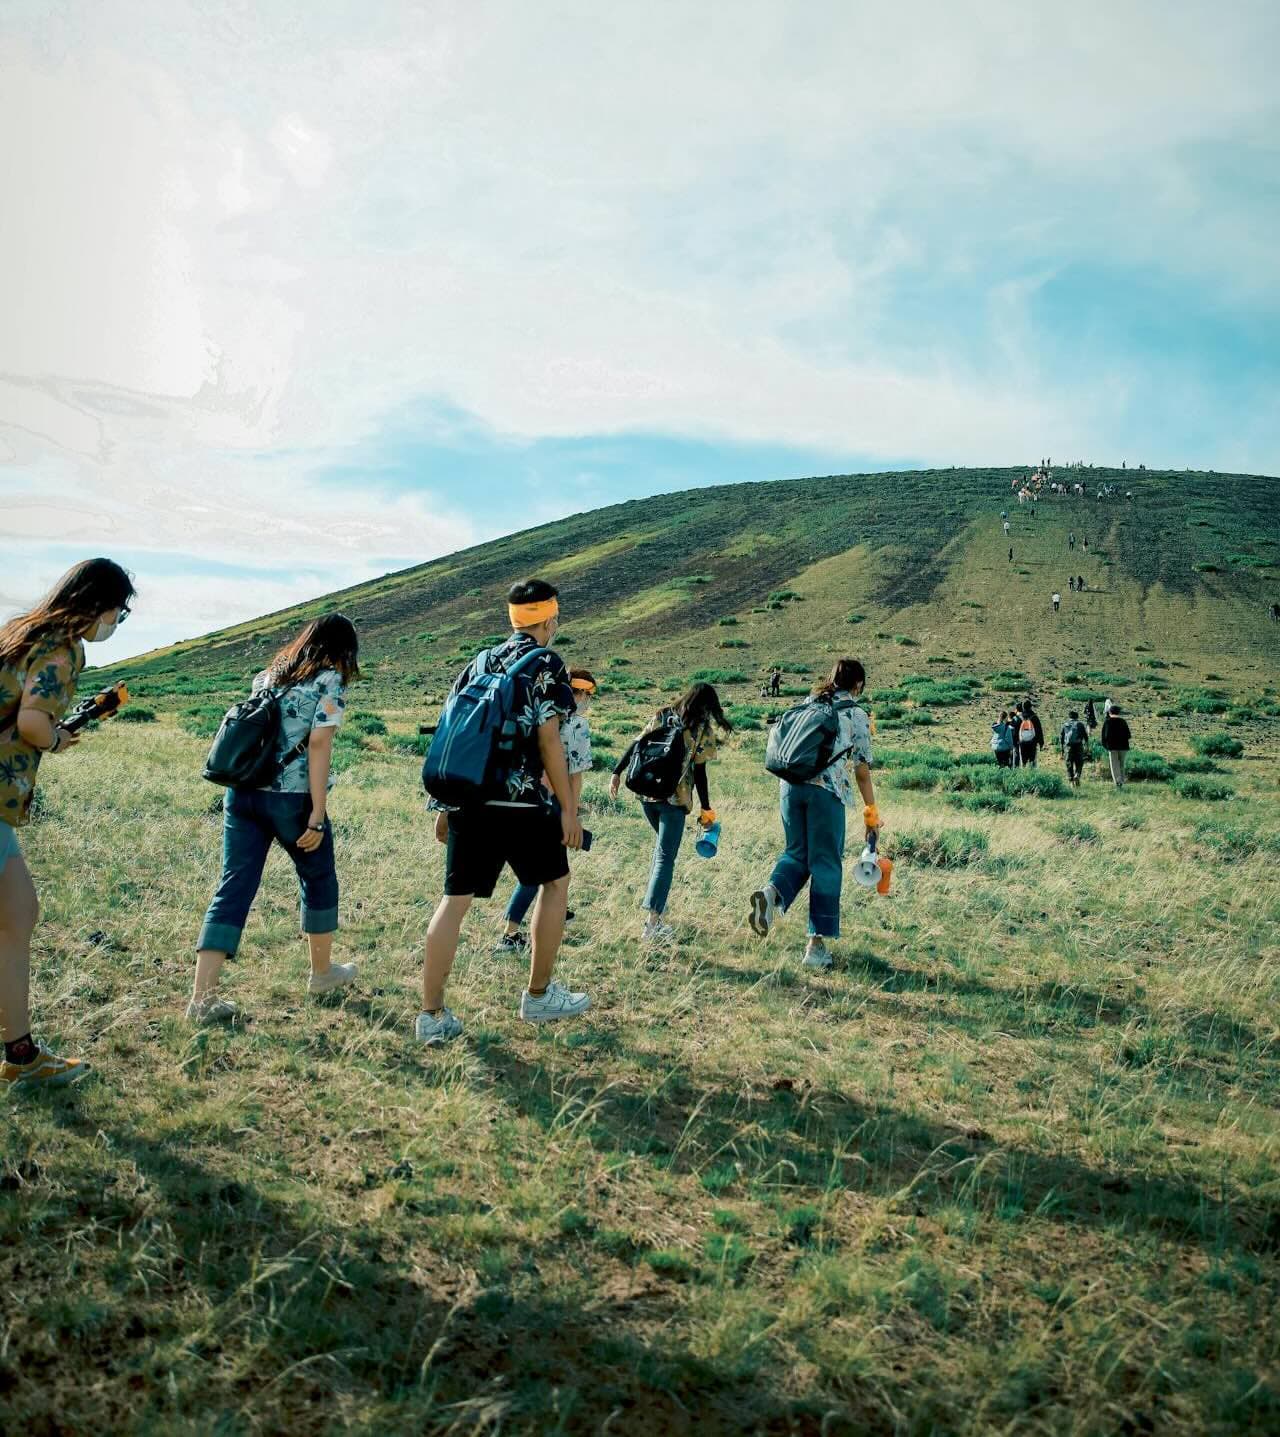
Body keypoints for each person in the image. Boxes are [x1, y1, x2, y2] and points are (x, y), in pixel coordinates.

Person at [416, 579, 588, 1045]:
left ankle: (431, 1015)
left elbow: (454, 730)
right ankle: (538, 995)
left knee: (454, 902)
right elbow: (550, 739)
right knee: (555, 884)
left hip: (470, 800)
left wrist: (445, 806)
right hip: (522, 801)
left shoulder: (481, 660)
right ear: (550, 619)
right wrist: (568, 810)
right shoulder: (547, 662)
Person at [0, 558, 135, 1087]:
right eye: (117, 614)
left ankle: (21, 1054)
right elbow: (33, 720)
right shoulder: (61, 646)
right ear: (97, 606)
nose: (114, 625)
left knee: (18, 913)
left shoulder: (23, 630)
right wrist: (55, 737)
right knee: (15, 915)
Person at [190, 614, 361, 1023]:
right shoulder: (330, 681)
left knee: (233, 886)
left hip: (243, 793)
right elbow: (319, 745)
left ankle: (202, 997)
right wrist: (317, 813)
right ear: (344, 650)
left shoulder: (267, 677)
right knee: (318, 876)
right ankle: (321, 973)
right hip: (292, 799)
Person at [747, 659, 876, 970]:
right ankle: (815, 947)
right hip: (826, 791)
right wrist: (871, 812)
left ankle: (771, 892)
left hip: (790, 787)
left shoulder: (808, 703)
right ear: (857, 685)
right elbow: (861, 770)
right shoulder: (855, 713)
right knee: (826, 864)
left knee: (796, 854)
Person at [610, 682, 730, 946]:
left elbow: (637, 744)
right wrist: (706, 808)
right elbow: (700, 774)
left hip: (646, 795)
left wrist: (616, 772)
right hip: (675, 800)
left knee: (660, 853)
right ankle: (652, 923)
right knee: (665, 858)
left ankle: (659, 914)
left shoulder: (662, 714)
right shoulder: (700, 729)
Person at [495, 668, 596, 954]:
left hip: (520, 796)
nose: (587, 701)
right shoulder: (576, 724)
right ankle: (510, 934)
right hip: (549, 804)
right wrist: (571, 813)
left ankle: (555, 911)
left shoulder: (536, 712)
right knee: (541, 872)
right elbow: (574, 773)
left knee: (551, 870)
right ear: (578, 693)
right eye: (587, 695)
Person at [1101, 704, 1131, 787]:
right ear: (1118, 712)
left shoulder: (1107, 722)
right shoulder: (1123, 721)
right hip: (1123, 747)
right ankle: (1122, 780)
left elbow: (1104, 736)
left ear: (1110, 712)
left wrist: (1106, 746)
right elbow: (1128, 735)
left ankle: (1118, 783)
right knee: (1122, 764)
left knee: (1114, 765)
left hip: (1112, 747)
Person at [1060, 709, 1088, 787]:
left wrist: (1062, 749)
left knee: (1069, 764)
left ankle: (1071, 782)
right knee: (1079, 762)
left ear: (1069, 717)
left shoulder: (1065, 724)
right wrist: (1086, 746)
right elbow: (1085, 737)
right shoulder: (1080, 724)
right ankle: (1077, 775)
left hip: (1068, 747)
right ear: (1077, 717)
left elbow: (1061, 737)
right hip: (1078, 746)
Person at [1017, 699, 1043, 768]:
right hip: (1032, 742)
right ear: (1031, 707)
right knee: (1032, 760)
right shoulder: (1034, 717)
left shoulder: (1019, 717)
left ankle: (1024, 775)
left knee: (1023, 760)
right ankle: (1032, 774)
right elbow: (1039, 730)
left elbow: (1016, 730)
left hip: (1022, 742)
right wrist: (1041, 742)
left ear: (1023, 707)